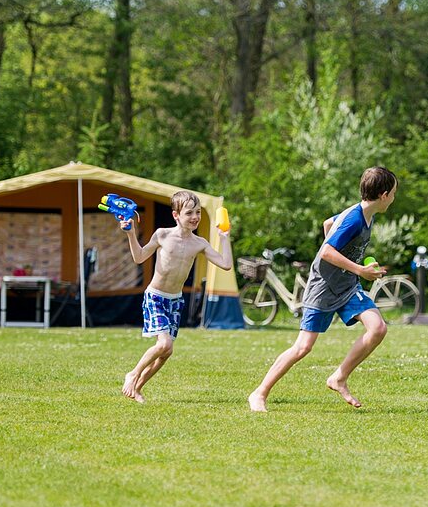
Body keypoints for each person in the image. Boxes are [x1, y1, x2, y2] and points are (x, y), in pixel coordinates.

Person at [248, 166, 397, 412]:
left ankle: (338, 377)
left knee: (378, 328)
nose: (393, 198)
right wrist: (359, 269)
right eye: (393, 193)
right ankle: (259, 393)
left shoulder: (364, 213)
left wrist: (349, 267)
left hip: (347, 286)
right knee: (303, 347)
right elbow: (326, 251)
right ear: (383, 195)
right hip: (324, 287)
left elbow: (328, 223)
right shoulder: (354, 219)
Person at [120, 191, 233, 403]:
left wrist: (224, 238)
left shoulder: (199, 243)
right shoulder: (162, 234)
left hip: (175, 301)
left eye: (198, 212)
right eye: (189, 212)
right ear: (176, 215)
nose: (195, 217)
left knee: (166, 352)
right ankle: (133, 374)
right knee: (164, 345)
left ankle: (138, 388)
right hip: (155, 297)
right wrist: (130, 233)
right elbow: (139, 257)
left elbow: (225, 264)